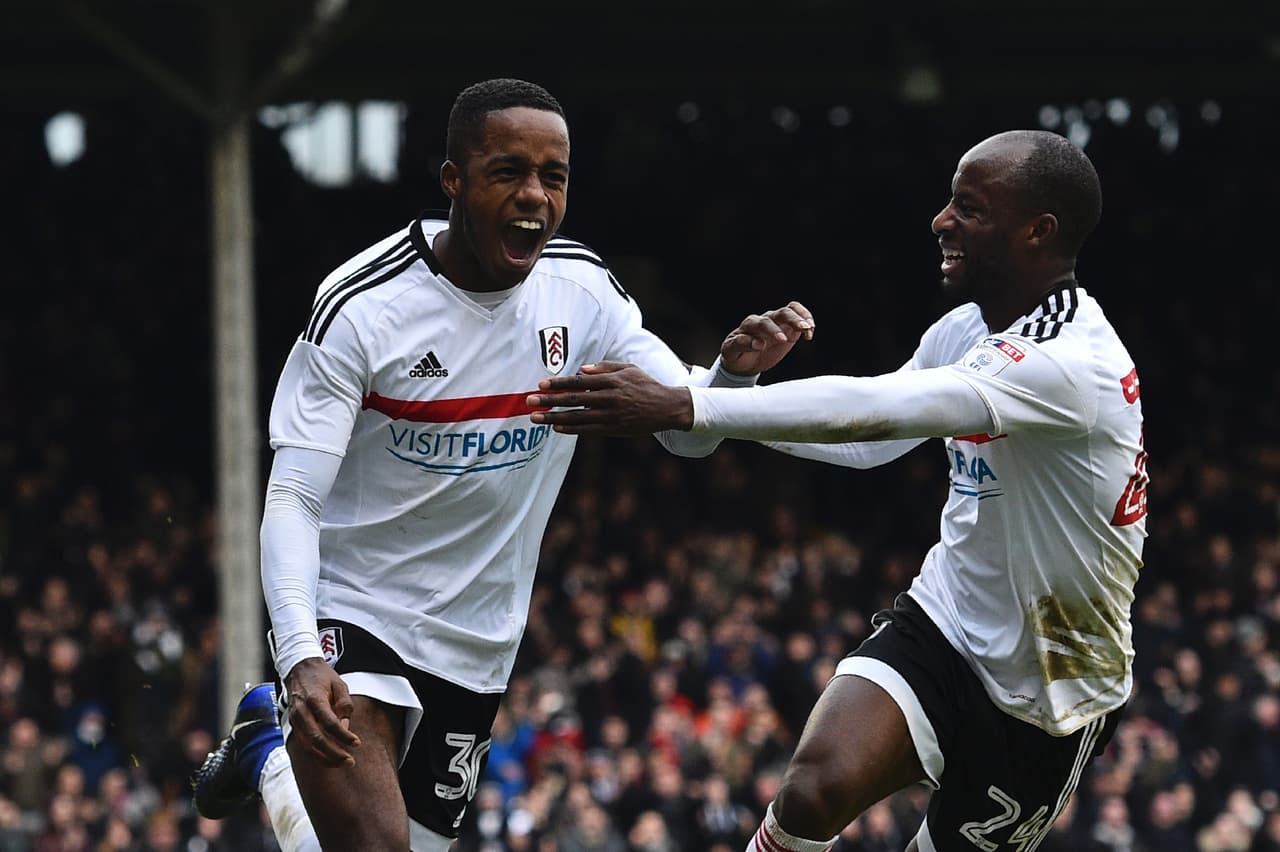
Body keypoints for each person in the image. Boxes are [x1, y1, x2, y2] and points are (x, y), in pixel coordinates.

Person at [190, 77, 814, 852]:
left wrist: (729, 380)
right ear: (453, 181)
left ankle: (268, 758)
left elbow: (683, 429)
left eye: (553, 177)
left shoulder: (581, 293)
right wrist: (299, 655)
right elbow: (291, 496)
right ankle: (282, 729)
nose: (534, 196)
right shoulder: (362, 305)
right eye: (507, 172)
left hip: (477, 643)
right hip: (355, 613)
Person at [526, 130, 1147, 852]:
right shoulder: (970, 329)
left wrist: (685, 406)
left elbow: (880, 410)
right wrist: (729, 388)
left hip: (1052, 690)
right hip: (945, 628)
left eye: (969, 209)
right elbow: (870, 442)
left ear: (1038, 231)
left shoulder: (1070, 363)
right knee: (810, 792)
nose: (942, 221)